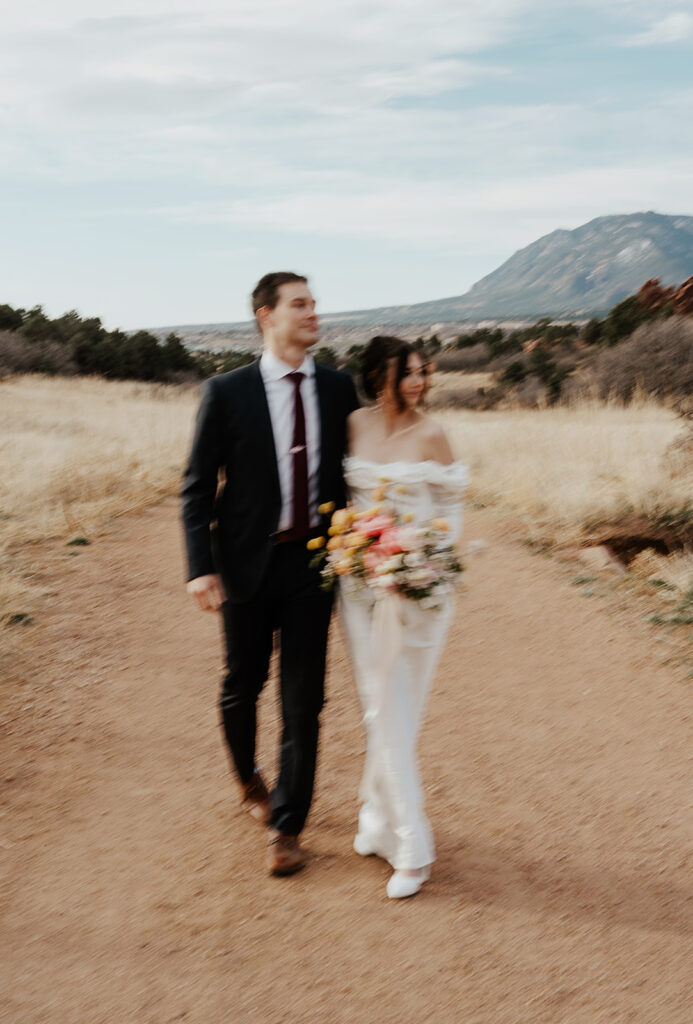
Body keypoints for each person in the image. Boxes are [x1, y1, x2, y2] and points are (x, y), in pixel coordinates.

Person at [181, 272, 359, 877]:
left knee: (304, 699)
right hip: (244, 565)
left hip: (314, 564)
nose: (313, 313)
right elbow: (197, 488)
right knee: (243, 684)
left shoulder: (338, 390)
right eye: (300, 304)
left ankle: (288, 825)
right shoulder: (226, 393)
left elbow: (358, 473)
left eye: (314, 304)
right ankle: (247, 777)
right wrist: (200, 568)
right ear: (267, 315)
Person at [339, 336, 467, 898]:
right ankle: (389, 831)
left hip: (418, 589)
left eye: (421, 372)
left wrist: (418, 564)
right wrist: (358, 550)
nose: (417, 382)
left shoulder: (432, 433)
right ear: (377, 376)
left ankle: (399, 836)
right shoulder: (354, 425)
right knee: (379, 705)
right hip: (359, 587)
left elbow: (451, 514)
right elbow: (344, 503)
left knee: (397, 707)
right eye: (405, 374)